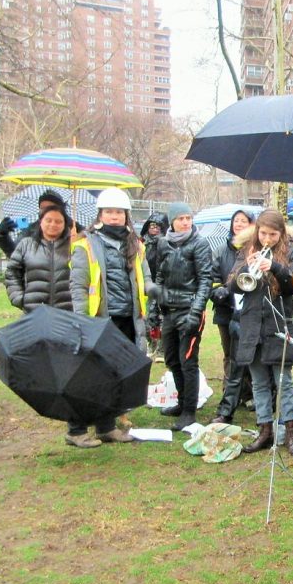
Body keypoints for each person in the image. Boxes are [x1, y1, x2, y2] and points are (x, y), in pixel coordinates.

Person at [69, 187, 153, 448]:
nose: (114, 216)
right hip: (98, 320)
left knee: (115, 375)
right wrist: (83, 321)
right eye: (109, 212)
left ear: (126, 215)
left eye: (118, 212)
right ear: (100, 215)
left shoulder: (136, 245)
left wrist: (156, 291)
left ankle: (106, 427)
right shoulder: (85, 245)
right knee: (88, 376)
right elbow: (78, 287)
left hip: (128, 320)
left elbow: (145, 279)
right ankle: (75, 430)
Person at [227, 209, 293, 456]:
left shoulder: (291, 252)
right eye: (263, 233)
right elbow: (233, 285)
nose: (267, 239)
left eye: (272, 234)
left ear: (281, 233)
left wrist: (275, 267)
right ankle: (265, 430)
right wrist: (245, 268)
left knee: (284, 382)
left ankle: (291, 432)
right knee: (259, 382)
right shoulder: (247, 250)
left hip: (278, 324)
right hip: (252, 325)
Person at [150, 202, 214, 431]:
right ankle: (181, 401)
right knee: (172, 359)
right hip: (169, 309)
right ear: (172, 221)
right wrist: (154, 307)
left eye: (188, 218)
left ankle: (189, 411)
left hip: (189, 308)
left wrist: (196, 312)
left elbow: (205, 280)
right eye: (181, 219)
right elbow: (159, 276)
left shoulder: (199, 243)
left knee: (188, 361)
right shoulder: (163, 243)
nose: (186, 222)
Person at [207, 208, 255, 424]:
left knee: (247, 355)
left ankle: (248, 393)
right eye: (236, 221)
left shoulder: (254, 249)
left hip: (247, 310)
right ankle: (229, 392)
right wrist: (219, 290)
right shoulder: (221, 250)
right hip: (225, 309)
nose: (239, 224)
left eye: (244, 221)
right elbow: (213, 276)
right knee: (230, 353)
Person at [4, 204, 74, 313]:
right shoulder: (26, 245)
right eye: (48, 220)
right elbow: (12, 272)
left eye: (58, 221)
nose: (53, 224)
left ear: (65, 224)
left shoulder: (74, 246)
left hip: (67, 312)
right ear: (40, 222)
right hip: (34, 311)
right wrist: (18, 298)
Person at [0, 190, 75, 259]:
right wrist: (2, 236)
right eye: (42, 208)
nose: (44, 211)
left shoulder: (73, 230)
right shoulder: (31, 230)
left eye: (49, 208)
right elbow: (15, 254)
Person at [139, 211, 169, 281]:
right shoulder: (141, 241)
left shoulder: (167, 243)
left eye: (158, 227)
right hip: (142, 277)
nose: (155, 229)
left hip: (159, 280)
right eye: (152, 226)